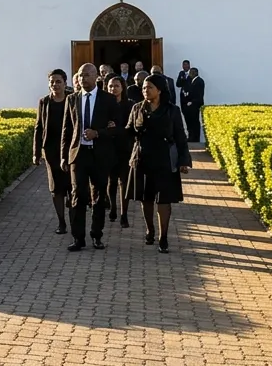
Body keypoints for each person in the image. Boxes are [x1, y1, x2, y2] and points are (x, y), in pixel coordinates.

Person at [126, 74, 191, 254]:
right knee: (146, 198)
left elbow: (180, 137)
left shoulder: (172, 110)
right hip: (143, 157)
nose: (146, 91)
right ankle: (150, 230)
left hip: (164, 159)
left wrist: (184, 161)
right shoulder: (137, 108)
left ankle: (163, 237)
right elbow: (129, 131)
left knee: (163, 200)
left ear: (160, 90)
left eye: (150, 88)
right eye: (144, 88)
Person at [60, 63, 119, 251]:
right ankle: (78, 237)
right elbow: (67, 129)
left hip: (100, 155)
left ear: (95, 77)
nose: (82, 79)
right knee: (77, 195)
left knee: (99, 196)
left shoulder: (108, 100)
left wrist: (98, 133)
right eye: (80, 75)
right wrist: (63, 156)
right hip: (78, 155)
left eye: (86, 75)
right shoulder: (72, 99)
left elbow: (117, 128)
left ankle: (97, 235)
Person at [34, 69, 72, 234]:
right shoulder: (44, 102)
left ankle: (74, 219)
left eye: (58, 81)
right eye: (52, 81)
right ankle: (61, 221)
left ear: (65, 83)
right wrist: (36, 152)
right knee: (56, 187)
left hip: (70, 148)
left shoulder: (72, 100)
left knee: (72, 185)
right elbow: (38, 127)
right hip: (51, 150)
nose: (55, 84)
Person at [105, 75, 133, 228]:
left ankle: (124, 213)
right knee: (111, 180)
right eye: (110, 86)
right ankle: (113, 207)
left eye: (116, 86)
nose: (113, 89)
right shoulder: (104, 104)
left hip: (124, 147)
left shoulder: (129, 105)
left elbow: (131, 127)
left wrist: (116, 129)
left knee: (124, 181)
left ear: (122, 87)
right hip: (109, 146)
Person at [181, 67, 205, 143]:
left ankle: (195, 138)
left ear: (194, 73)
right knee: (191, 121)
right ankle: (192, 137)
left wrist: (192, 101)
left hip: (195, 104)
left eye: (191, 73)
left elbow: (198, 94)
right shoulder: (194, 81)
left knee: (194, 122)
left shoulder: (198, 81)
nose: (189, 74)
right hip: (192, 105)